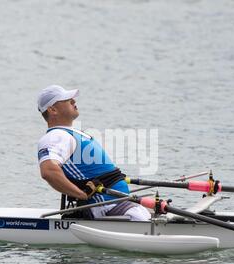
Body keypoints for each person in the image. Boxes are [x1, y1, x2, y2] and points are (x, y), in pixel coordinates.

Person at [37, 85, 151, 221]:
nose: (73, 101)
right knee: (142, 215)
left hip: (114, 201)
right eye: (67, 100)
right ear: (53, 110)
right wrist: (81, 194)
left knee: (155, 206)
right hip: (104, 206)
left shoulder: (71, 133)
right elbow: (49, 171)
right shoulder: (56, 136)